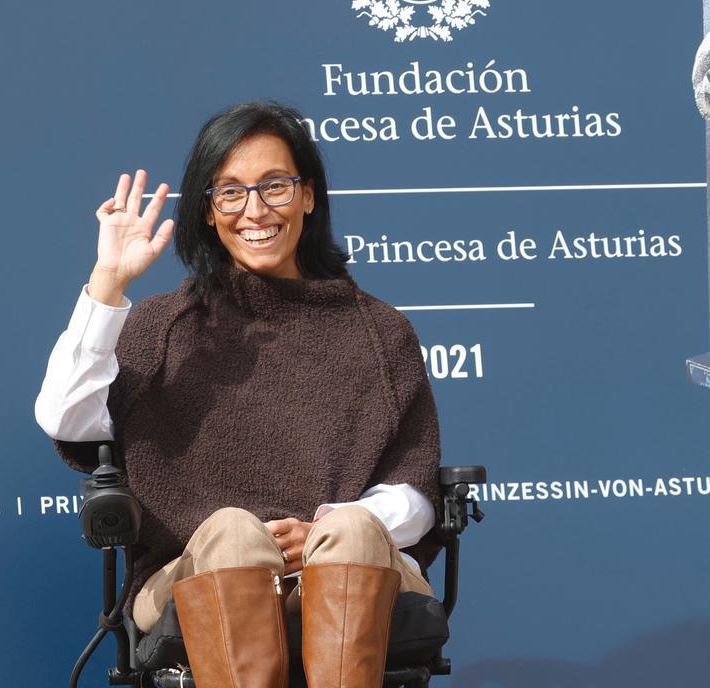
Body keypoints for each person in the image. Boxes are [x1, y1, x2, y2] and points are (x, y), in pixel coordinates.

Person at [35, 101, 442, 688]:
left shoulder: (380, 331)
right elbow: (66, 420)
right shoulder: (163, 325)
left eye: (275, 186)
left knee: (352, 530)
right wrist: (109, 282)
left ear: (308, 196)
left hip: (354, 567)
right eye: (230, 192)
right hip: (190, 570)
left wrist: (325, 531)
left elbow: (418, 487)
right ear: (207, 210)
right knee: (232, 531)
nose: (255, 211)